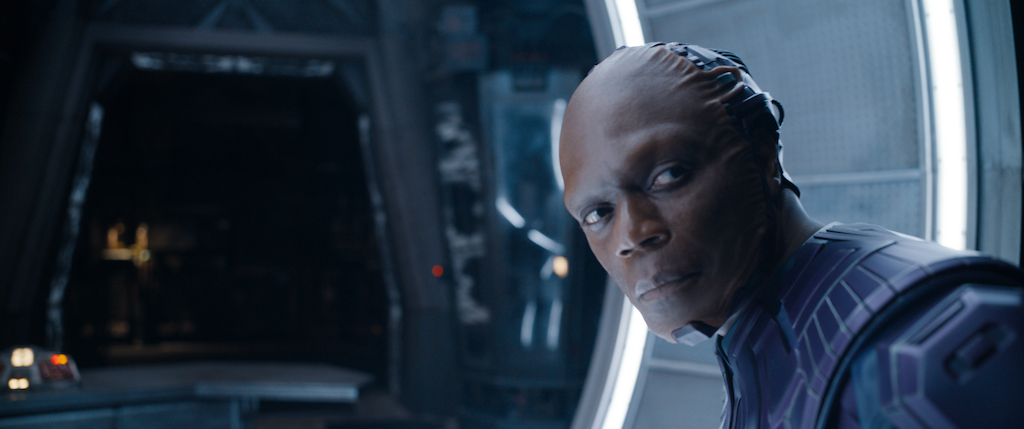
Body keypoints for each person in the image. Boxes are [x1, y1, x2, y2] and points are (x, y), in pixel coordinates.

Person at [558, 42, 1024, 429]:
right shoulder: (759, 353)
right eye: (598, 213)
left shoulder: (928, 340)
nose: (632, 235)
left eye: (669, 176)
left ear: (762, 153)